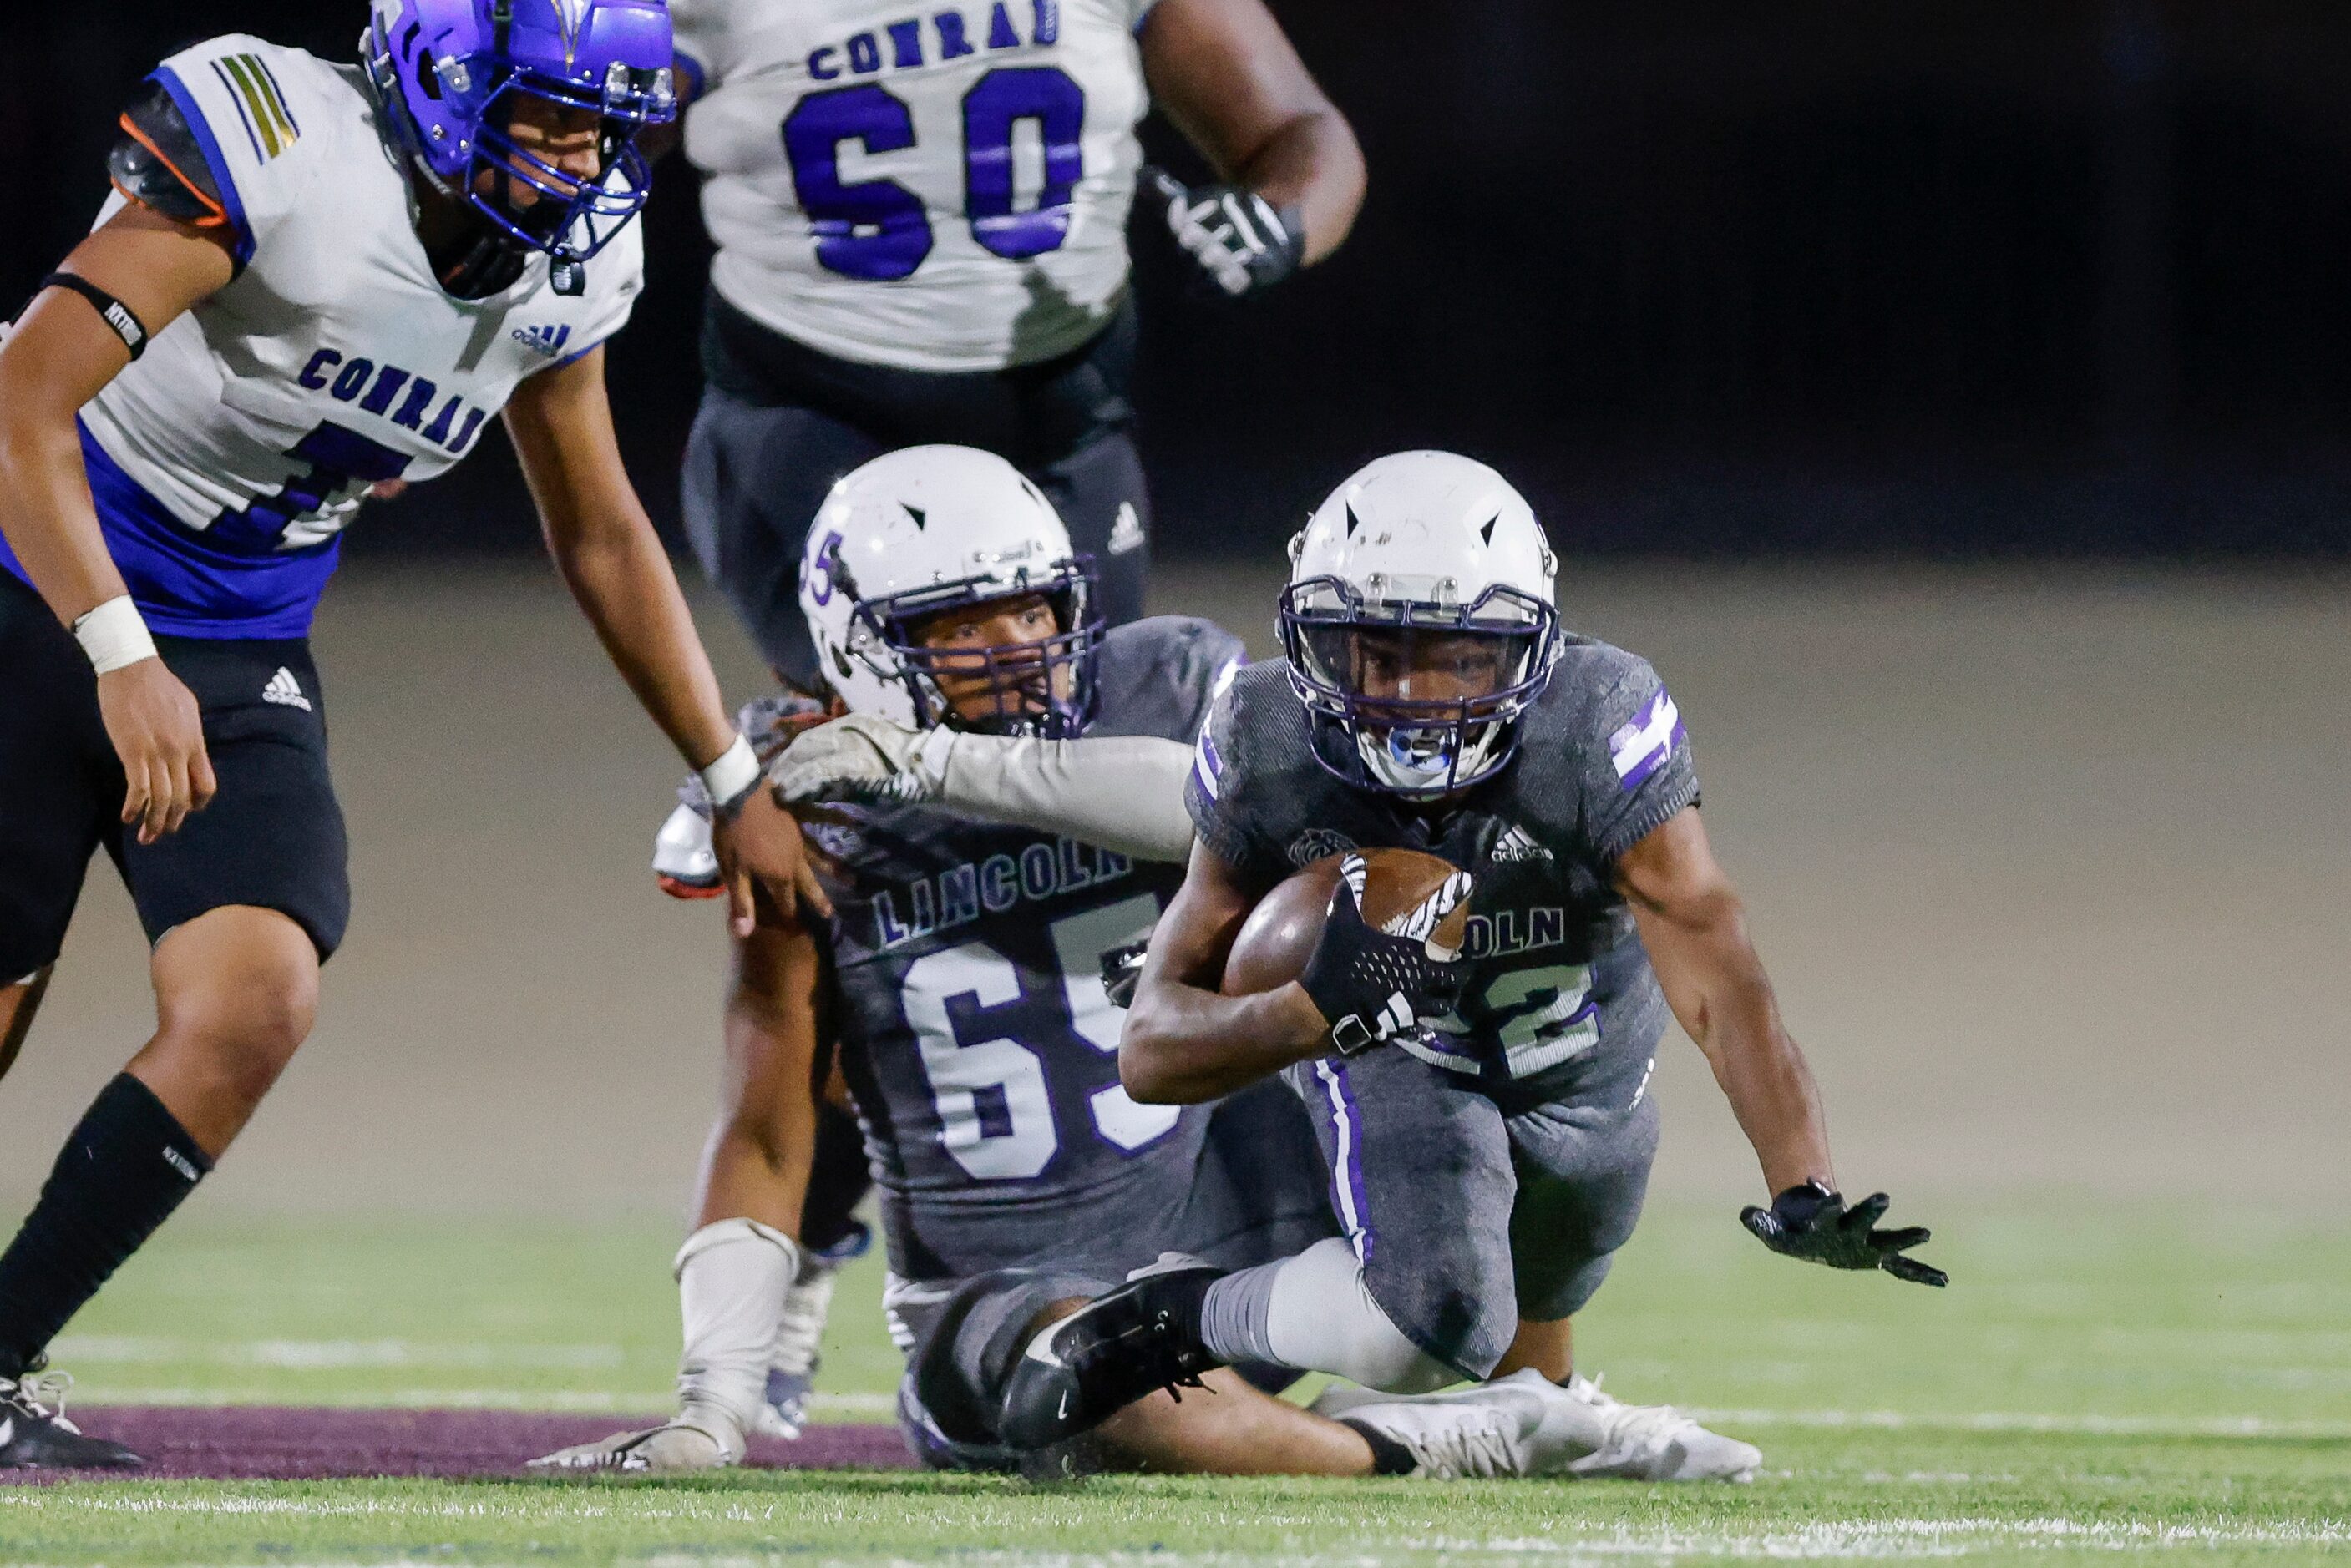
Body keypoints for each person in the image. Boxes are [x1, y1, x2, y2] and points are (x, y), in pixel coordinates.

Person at [0, 0, 817, 1468]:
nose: (581, 161)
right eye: (548, 118)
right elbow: (17, 400)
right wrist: (114, 652)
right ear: (439, 82)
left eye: (604, 127)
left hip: (237, 638)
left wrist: (728, 769)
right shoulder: (290, 157)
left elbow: (601, 527)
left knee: (253, 997)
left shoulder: (568, 267)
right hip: (38, 576)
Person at [788, 453, 1948, 1479]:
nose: (1405, 692)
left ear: (1531, 648)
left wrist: (1798, 1172)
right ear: (1308, 637)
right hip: (1397, 1050)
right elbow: (1151, 1046)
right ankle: (1181, 1321)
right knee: (1435, 1313)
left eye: (1453, 656)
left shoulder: (1597, 722)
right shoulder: (1263, 732)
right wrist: (1313, 1009)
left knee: (1557, 1253)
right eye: (1370, 650)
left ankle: (1536, 1410)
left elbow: (1715, 962)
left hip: (1581, 1051)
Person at [537, 447, 1614, 1480]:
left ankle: (1544, 1387)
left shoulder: (1154, 687)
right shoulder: (806, 807)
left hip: (1231, 1217)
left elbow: (1213, 796)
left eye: (1034, 608)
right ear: (857, 645)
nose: (1016, 645)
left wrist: (932, 763)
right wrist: (710, 1402)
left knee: (1454, 982)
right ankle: (1450, 1442)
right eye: (960, 623)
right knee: (1084, 1368)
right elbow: (769, 1126)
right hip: (1007, 1291)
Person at [662, 0, 1366, 687]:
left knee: (1080, 754)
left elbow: (1300, 129)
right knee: (869, 761)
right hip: (814, 415)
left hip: (1057, 423)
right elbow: (576, 138)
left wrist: (1279, 219)